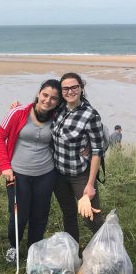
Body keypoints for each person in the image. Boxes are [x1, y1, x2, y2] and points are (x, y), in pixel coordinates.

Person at [0, 80, 62, 263]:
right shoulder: (18, 112)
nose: (48, 100)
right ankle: (14, 246)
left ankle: (35, 249)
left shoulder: (58, 117)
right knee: (19, 214)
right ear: (39, 93)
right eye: (45, 95)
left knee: (40, 214)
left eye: (54, 98)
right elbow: (0, 137)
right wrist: (5, 166)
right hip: (18, 174)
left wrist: (85, 149)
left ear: (58, 102)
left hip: (46, 174)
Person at [52, 72, 104, 243]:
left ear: (81, 88)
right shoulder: (59, 108)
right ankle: (73, 251)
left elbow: (97, 151)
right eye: (65, 88)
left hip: (80, 175)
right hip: (59, 174)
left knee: (91, 216)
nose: (70, 91)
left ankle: (108, 250)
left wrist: (90, 184)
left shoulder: (90, 115)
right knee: (68, 213)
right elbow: (40, 106)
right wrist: (17, 106)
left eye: (74, 87)